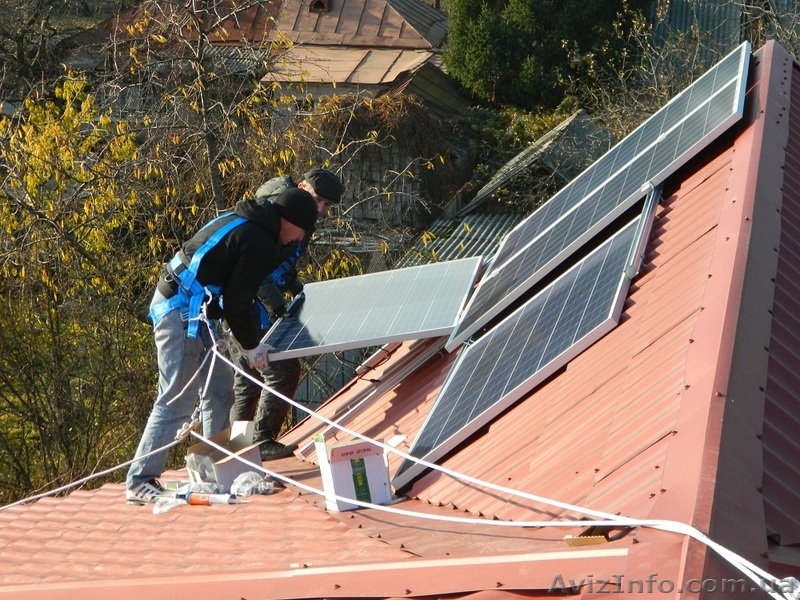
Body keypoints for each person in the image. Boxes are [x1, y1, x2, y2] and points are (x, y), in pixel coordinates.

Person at [125, 188, 319, 504]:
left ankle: (215, 473)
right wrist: (253, 346)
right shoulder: (257, 238)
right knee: (177, 396)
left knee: (220, 391)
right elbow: (238, 303)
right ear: (290, 221)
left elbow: (233, 293)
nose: (299, 240)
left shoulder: (251, 220)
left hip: (196, 311)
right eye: (301, 232)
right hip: (180, 312)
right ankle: (140, 480)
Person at [229, 168, 344, 461]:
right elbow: (259, 273)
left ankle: (238, 449)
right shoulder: (278, 213)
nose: (320, 209)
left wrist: (297, 287)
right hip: (250, 310)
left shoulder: (287, 212)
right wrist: (279, 308)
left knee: (247, 380)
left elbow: (281, 265)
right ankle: (263, 441)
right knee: (282, 370)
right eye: (317, 199)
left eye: (326, 205)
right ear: (301, 186)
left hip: (239, 310)